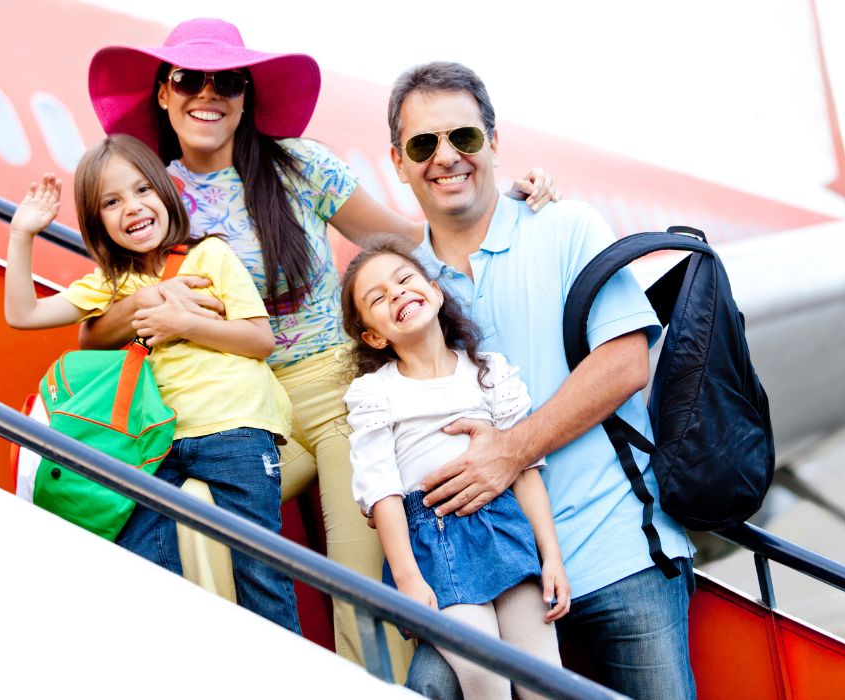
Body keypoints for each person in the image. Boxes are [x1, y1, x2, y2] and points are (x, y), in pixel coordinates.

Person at [84, 18, 559, 676]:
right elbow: (98, 319)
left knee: (357, 576)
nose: (207, 94)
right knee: (195, 521)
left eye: (226, 81)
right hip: (244, 411)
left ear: (245, 96)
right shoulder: (152, 194)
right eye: (188, 79)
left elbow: (405, 238)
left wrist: (500, 203)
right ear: (163, 93)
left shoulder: (300, 166)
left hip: (336, 392)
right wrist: (145, 306)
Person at [386, 62, 697, 700]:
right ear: (397, 161)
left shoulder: (566, 225)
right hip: (489, 582)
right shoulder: (404, 283)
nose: (446, 158)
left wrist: (511, 451)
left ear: (494, 144)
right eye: (424, 144)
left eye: (464, 138)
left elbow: (625, 364)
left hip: (616, 551)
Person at [3, 134, 299, 633]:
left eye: (143, 191)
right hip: (159, 441)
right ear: (98, 222)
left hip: (236, 429)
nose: (133, 208)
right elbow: (22, 313)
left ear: (165, 192)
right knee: (140, 551)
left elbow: (258, 339)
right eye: (112, 202)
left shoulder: (210, 256)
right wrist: (22, 235)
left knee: (260, 569)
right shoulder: (109, 284)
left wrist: (182, 325)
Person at [341, 237, 569, 699]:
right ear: (374, 336)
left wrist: (553, 557)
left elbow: (524, 469)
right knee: (484, 673)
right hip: (434, 541)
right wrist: (406, 576)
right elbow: (381, 491)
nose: (397, 294)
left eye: (404, 280)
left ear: (435, 291)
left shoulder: (488, 372)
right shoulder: (375, 395)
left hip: (504, 527)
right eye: (378, 298)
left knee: (542, 674)